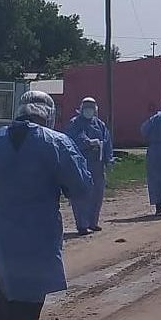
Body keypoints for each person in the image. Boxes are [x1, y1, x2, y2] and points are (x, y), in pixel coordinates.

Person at [0, 90, 92, 320]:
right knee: (31, 302)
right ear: (50, 114)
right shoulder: (58, 142)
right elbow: (81, 188)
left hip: (3, 233)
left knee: (10, 293)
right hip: (40, 233)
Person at [65, 96, 113, 235]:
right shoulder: (75, 123)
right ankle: (82, 224)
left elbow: (107, 142)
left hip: (97, 165)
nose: (89, 110)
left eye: (91, 108)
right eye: (86, 107)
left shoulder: (100, 124)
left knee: (97, 194)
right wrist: (88, 142)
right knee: (81, 193)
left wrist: (108, 159)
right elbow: (73, 138)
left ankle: (93, 222)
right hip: (80, 163)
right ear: (81, 108)